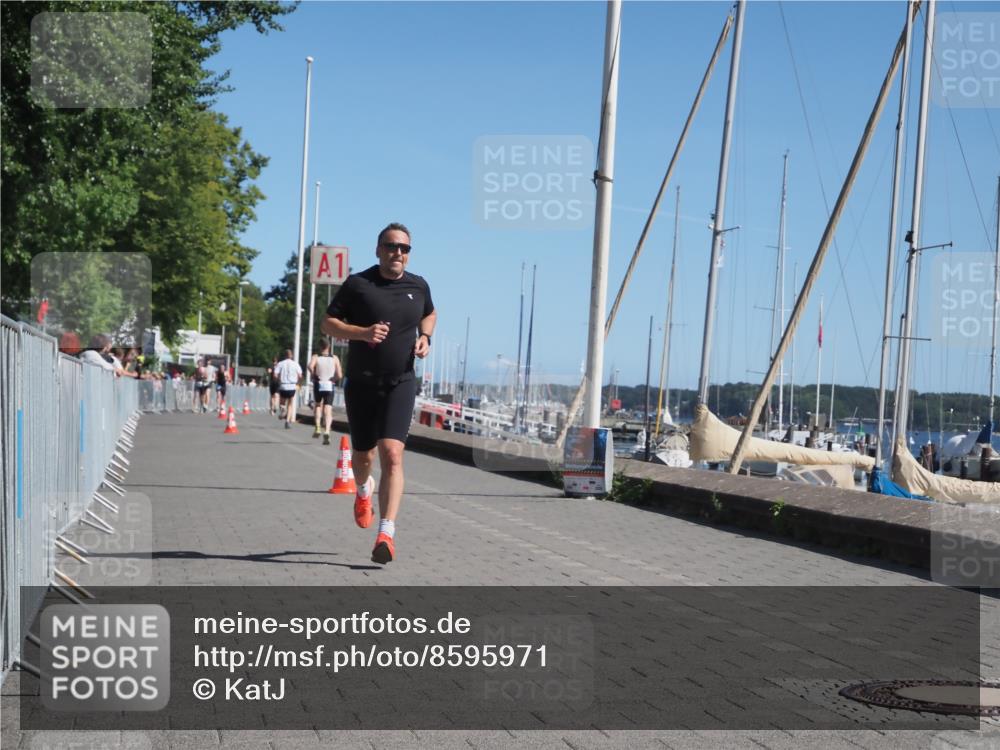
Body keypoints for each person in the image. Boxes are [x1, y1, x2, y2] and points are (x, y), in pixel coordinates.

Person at [322, 222, 436, 564]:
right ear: (378, 250)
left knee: (393, 454)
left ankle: (386, 532)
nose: (397, 253)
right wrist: (363, 332)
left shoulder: (419, 285)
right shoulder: (359, 284)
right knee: (364, 457)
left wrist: (425, 337)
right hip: (361, 382)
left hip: (401, 381)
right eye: (391, 246)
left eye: (404, 248)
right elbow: (328, 323)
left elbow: (430, 313)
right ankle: (361, 490)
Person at [308, 340, 343, 444]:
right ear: (329, 346)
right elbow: (340, 375)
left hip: (318, 383)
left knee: (318, 405)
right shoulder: (334, 358)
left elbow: (310, 366)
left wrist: (314, 374)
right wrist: (333, 379)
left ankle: (318, 426)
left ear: (320, 346)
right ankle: (327, 430)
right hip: (329, 384)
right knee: (328, 408)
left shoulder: (316, 356)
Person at [274, 349, 302, 429]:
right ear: (291, 355)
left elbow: (275, 375)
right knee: (290, 404)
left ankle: (283, 410)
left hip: (283, 385)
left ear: (285, 355)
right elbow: (300, 375)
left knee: (282, 403)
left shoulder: (280, 363)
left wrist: (279, 379)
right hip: (292, 386)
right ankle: (287, 421)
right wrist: (298, 383)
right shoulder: (295, 364)